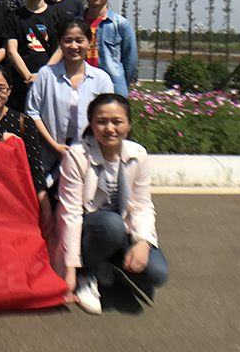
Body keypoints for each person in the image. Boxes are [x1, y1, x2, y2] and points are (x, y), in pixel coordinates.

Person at [58, 93, 169, 315]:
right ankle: (87, 273)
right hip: (89, 227)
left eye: (117, 121)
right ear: (91, 123)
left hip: (120, 228)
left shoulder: (138, 154)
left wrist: (144, 243)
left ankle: (107, 259)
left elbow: (142, 205)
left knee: (157, 273)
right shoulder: (78, 155)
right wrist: (69, 270)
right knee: (111, 225)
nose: (109, 128)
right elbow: (70, 214)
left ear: (129, 125)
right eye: (101, 121)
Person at [26, 19, 114, 203]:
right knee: (47, 205)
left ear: (89, 42)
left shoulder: (101, 79)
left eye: (79, 40)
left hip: (88, 154)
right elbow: (32, 113)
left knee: (83, 205)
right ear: (60, 43)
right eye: (67, 41)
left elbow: (108, 118)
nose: (74, 46)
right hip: (50, 154)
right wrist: (54, 146)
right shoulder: (46, 75)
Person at [0, 64, 53, 239]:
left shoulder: (24, 123)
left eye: (1, 88)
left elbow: (35, 167)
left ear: (10, 90)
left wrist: (45, 205)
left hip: (17, 199)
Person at [4, 0, 69, 112]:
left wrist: (42, 76)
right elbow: (12, 51)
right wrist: (28, 77)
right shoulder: (14, 17)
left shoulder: (59, 15)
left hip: (53, 80)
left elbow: (62, 48)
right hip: (22, 83)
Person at [81, 0, 138, 96]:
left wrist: (121, 84)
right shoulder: (76, 23)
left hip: (112, 88)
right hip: (81, 86)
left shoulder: (121, 24)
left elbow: (130, 61)